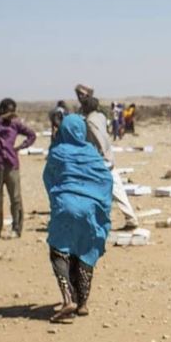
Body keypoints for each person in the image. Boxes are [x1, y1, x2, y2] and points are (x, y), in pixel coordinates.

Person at [43, 114, 113, 323]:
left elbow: (48, 179)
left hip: (66, 206)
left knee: (59, 251)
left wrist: (58, 198)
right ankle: (82, 304)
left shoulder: (57, 152)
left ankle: (67, 299)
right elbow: (107, 178)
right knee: (84, 252)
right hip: (91, 209)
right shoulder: (91, 153)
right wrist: (100, 205)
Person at [80, 95, 140, 230]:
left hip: (100, 161)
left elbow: (98, 140)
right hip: (109, 159)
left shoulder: (90, 121)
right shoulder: (100, 117)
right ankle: (131, 218)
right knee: (117, 190)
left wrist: (99, 157)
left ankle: (92, 222)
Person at [0, 98, 36, 238]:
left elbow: (32, 135)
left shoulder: (15, 124)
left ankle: (17, 228)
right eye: (8, 111)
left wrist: (20, 147)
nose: (11, 114)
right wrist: (1, 119)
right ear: (1, 110)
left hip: (12, 165)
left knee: (16, 198)